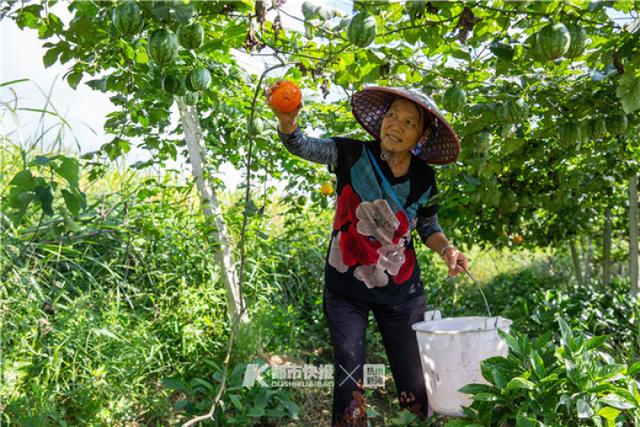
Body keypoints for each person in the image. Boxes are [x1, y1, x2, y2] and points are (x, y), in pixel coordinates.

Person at [265, 84, 469, 426]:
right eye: (391, 116)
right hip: (347, 290)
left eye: (408, 122)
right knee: (349, 375)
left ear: (421, 134)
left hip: (402, 293)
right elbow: (303, 146)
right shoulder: (353, 154)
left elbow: (428, 225)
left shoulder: (425, 178)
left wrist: (447, 248)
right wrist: (288, 122)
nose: (396, 126)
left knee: (414, 381)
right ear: (380, 121)